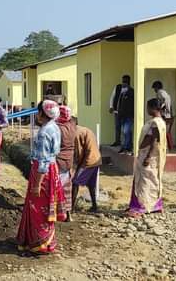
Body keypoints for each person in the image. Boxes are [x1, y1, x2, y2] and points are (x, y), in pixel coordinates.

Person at [17, 100, 65, 255]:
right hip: (52, 170)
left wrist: (37, 184)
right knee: (46, 205)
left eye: (38, 112)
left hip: (42, 173)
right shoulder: (55, 127)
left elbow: (43, 161)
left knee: (38, 207)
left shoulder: (44, 132)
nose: (37, 115)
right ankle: (47, 240)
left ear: (42, 113)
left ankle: (40, 242)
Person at [127, 98, 167, 218]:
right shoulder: (160, 122)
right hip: (150, 155)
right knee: (152, 180)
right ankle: (155, 206)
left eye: (148, 107)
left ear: (153, 108)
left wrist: (148, 156)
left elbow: (154, 140)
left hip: (149, 155)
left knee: (144, 181)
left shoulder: (155, 123)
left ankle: (140, 207)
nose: (147, 110)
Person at [72, 116, 101, 213]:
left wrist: (75, 167)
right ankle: (94, 206)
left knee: (75, 182)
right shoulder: (84, 129)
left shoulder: (75, 133)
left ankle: (71, 208)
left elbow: (78, 152)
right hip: (96, 160)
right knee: (91, 184)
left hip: (88, 161)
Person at [56, 105, 76, 221]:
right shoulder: (72, 126)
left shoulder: (58, 128)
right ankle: (68, 214)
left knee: (56, 188)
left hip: (58, 161)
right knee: (67, 189)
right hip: (69, 161)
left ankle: (56, 213)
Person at [109, 75, 134, 154]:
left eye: (126, 81)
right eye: (123, 81)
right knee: (118, 127)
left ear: (128, 82)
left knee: (126, 131)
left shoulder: (131, 91)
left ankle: (127, 146)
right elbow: (112, 97)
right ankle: (119, 142)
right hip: (118, 112)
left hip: (127, 115)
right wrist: (111, 106)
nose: (124, 83)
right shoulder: (118, 88)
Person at [152, 81, 174, 150]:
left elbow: (166, 100)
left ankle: (164, 146)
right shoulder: (164, 92)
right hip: (167, 115)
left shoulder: (160, 92)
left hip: (164, 115)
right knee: (164, 131)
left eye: (154, 88)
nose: (154, 90)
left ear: (157, 87)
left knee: (161, 131)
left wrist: (162, 107)